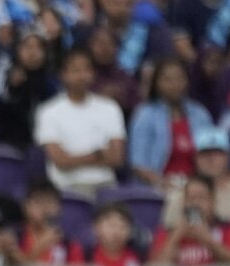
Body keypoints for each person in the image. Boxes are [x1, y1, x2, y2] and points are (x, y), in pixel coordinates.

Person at [35, 48, 127, 196]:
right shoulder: (48, 111)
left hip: (105, 185)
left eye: (86, 70)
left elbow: (117, 158)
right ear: (63, 75)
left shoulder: (110, 108)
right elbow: (61, 161)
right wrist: (98, 154)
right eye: (76, 70)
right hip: (67, 187)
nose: (82, 76)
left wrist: (75, 159)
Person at [129, 56, 214, 188]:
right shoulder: (145, 115)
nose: (175, 84)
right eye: (167, 79)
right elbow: (138, 164)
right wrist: (163, 183)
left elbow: (212, 153)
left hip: (196, 186)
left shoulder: (200, 114)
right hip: (158, 187)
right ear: (156, 83)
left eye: (180, 78)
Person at [166, 127, 230, 236]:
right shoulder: (180, 195)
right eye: (205, 153)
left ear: (228, 157)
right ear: (195, 157)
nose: (211, 159)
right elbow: (167, 234)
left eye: (217, 153)